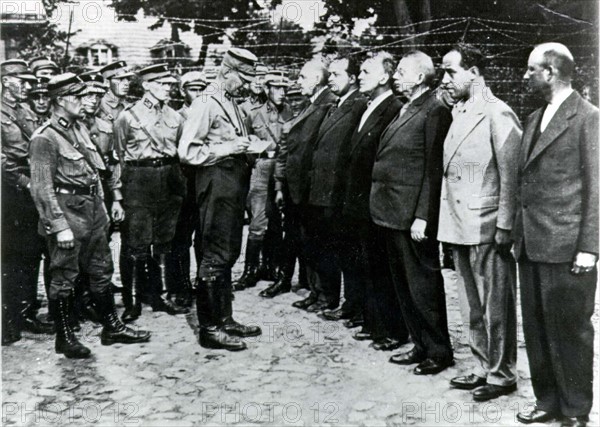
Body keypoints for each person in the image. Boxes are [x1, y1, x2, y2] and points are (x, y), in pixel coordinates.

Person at [29, 73, 151, 359]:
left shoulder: (79, 128)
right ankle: (65, 338)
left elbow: (95, 170)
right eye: (78, 97)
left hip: (93, 209)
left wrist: (105, 208)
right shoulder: (44, 138)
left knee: (101, 269)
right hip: (67, 211)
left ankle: (112, 327)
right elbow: (42, 189)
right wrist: (59, 226)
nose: (84, 102)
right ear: (60, 101)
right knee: (64, 276)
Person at [515, 43, 598, 427]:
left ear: (550, 72)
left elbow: (598, 187)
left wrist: (589, 247)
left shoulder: (588, 118)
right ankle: (547, 400)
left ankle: (576, 409)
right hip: (532, 242)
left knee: (571, 330)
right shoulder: (534, 118)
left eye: (531, 70)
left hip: (567, 246)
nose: (525, 76)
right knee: (536, 327)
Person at [438, 43, 522, 401]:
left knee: (495, 303)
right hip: (459, 223)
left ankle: (502, 374)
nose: (445, 79)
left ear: (474, 72)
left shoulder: (497, 112)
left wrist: (505, 224)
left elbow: (511, 174)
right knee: (470, 303)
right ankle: (481, 364)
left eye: (451, 71)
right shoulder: (461, 109)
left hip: (487, 224)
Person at [371, 51, 453, 374]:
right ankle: (420, 345)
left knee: (423, 286)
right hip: (392, 213)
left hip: (412, 218)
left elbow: (433, 170)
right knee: (404, 286)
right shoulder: (407, 106)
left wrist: (422, 216)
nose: (395, 77)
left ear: (420, 77)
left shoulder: (434, 110)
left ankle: (438, 350)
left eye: (402, 71)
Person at [179, 48, 263, 351]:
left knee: (227, 252)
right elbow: (187, 151)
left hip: (232, 184)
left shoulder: (229, 101)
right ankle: (210, 328)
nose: (246, 85)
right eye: (243, 78)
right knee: (214, 254)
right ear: (227, 72)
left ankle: (225, 318)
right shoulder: (205, 102)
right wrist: (228, 148)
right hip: (215, 184)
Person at [113, 64, 189, 322]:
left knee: (165, 241)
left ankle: (161, 295)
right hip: (138, 180)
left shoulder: (176, 117)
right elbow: (118, 158)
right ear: (146, 85)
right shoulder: (128, 116)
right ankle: (133, 301)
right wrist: (117, 195)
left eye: (170, 83)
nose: (168, 87)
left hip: (168, 178)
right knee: (137, 241)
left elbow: (180, 151)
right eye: (162, 83)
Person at [345, 52, 407, 352]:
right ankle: (374, 323)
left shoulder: (394, 109)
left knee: (382, 268)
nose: (359, 76)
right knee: (368, 264)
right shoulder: (368, 107)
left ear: (384, 77)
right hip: (360, 201)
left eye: (366, 71)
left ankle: (392, 329)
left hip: (379, 202)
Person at [303, 55, 367, 314]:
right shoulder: (335, 106)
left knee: (346, 253)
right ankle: (326, 297)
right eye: (329, 74)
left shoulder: (358, 106)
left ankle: (351, 304)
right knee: (326, 248)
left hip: (339, 193)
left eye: (337, 74)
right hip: (322, 191)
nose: (331, 79)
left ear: (352, 79)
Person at [274, 58, 338, 311]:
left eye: (302, 77)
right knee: (309, 243)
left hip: (312, 188)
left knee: (321, 244)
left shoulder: (327, 103)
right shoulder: (311, 104)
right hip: (300, 187)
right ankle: (316, 291)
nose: (297, 81)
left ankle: (326, 295)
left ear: (316, 79)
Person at [1, 60, 54, 346]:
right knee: (9, 257)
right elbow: (2, 161)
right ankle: (7, 319)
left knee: (30, 252)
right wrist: (27, 183)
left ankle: (25, 310)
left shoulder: (25, 111)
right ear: (5, 82)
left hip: (29, 190)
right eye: (19, 80)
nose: (26, 85)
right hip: (9, 193)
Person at [235, 70, 293, 294]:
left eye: (284, 88)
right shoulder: (251, 112)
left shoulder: (289, 110)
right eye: (276, 88)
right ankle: (250, 270)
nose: (282, 92)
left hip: (282, 168)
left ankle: (271, 266)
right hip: (261, 167)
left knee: (278, 219)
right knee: (258, 220)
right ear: (267, 90)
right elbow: (243, 143)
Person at [168, 70, 208, 309]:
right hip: (183, 185)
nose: (199, 94)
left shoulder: (210, 114)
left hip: (204, 183)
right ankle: (181, 287)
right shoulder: (176, 118)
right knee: (181, 239)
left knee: (205, 238)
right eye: (194, 89)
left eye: (202, 89)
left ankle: (205, 283)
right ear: (183, 92)